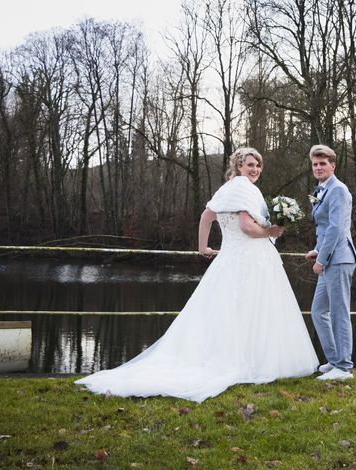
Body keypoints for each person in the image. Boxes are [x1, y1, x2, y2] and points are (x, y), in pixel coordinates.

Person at [76, 148, 318, 402]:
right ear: (238, 167)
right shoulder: (243, 189)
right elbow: (247, 227)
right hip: (251, 260)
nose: (255, 169)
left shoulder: (227, 189)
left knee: (228, 312)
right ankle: (251, 362)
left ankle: (236, 358)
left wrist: (202, 247)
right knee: (252, 310)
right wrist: (270, 232)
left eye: (258, 165)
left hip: (230, 259)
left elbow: (206, 216)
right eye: (249, 165)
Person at [305, 145, 356, 381]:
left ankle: (344, 368)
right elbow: (324, 228)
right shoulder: (321, 190)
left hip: (339, 259)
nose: (318, 167)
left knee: (338, 312)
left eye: (322, 163)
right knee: (318, 311)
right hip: (328, 257)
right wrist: (316, 251)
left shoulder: (338, 190)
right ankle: (335, 360)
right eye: (315, 164)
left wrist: (322, 260)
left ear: (333, 165)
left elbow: (337, 228)